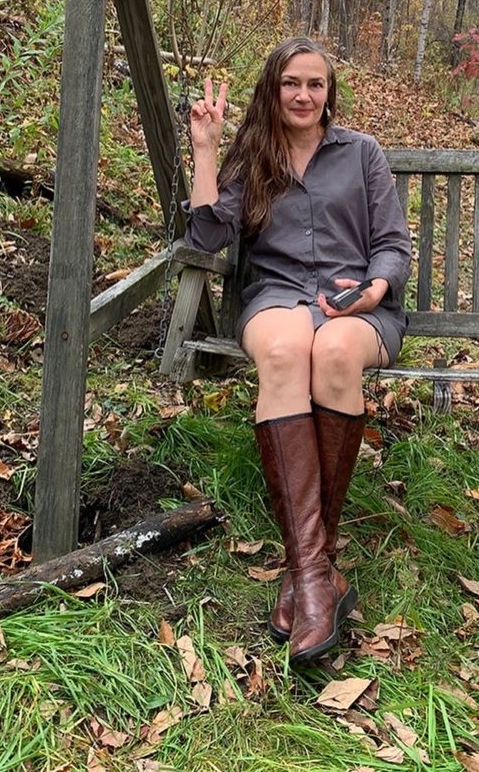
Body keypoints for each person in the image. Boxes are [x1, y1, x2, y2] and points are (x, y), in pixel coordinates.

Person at [183, 37, 412, 663]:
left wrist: (375, 288)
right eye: (291, 83)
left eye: (315, 84)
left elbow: (393, 243)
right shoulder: (253, 154)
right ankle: (317, 574)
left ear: (328, 92)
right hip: (276, 298)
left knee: (334, 353)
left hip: (354, 305)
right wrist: (206, 149)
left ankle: (308, 570)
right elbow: (206, 232)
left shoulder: (361, 153)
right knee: (286, 352)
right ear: (273, 89)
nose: (304, 95)